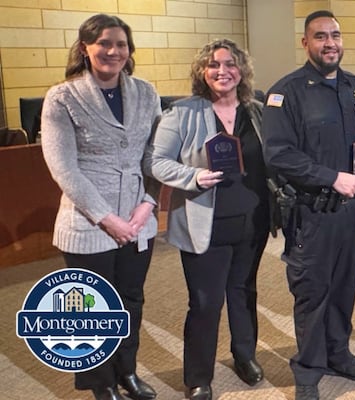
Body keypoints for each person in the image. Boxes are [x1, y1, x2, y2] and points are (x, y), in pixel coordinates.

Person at [261, 10, 355, 400]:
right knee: (312, 291)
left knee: (344, 287)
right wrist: (331, 176)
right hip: (310, 211)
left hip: (350, 211)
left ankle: (338, 353)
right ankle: (308, 368)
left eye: (335, 35)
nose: (329, 43)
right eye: (320, 36)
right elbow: (278, 154)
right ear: (306, 43)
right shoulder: (286, 93)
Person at [144, 39, 273, 400]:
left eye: (230, 64)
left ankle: (244, 356)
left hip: (252, 221)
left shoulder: (257, 111)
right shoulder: (182, 113)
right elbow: (155, 162)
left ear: (241, 70)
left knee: (244, 291)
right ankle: (198, 376)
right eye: (214, 65)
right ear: (203, 72)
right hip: (205, 224)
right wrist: (193, 176)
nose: (223, 71)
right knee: (205, 301)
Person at [40, 14, 160, 400]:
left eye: (121, 44)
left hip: (138, 219)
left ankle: (127, 372)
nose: (113, 51)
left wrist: (148, 204)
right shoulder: (62, 96)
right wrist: (107, 219)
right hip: (89, 221)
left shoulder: (147, 92)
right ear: (85, 49)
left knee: (131, 300)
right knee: (91, 307)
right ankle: (100, 382)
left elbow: (155, 156)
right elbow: (63, 168)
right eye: (104, 43)